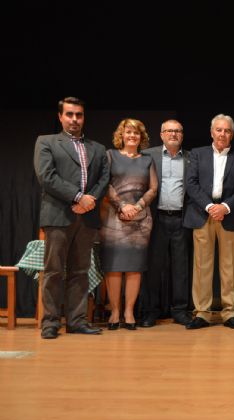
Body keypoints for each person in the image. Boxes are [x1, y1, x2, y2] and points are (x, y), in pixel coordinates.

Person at [33, 96, 110, 339]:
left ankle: (77, 321)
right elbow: (47, 176)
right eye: (69, 114)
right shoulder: (46, 142)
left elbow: (103, 180)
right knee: (54, 271)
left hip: (86, 217)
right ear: (60, 116)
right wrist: (78, 197)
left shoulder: (97, 148)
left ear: (83, 117)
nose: (74, 119)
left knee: (80, 270)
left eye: (78, 115)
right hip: (58, 215)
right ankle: (51, 322)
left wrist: (90, 201)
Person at [183, 114, 234, 330]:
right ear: (212, 132)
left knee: (229, 266)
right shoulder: (197, 154)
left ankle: (229, 312)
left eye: (227, 130)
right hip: (203, 214)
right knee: (202, 266)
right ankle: (202, 312)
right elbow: (191, 184)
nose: (223, 134)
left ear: (232, 134)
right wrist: (210, 207)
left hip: (229, 215)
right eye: (219, 130)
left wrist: (225, 207)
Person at [100, 118, 158, 331]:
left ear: (141, 137)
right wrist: (122, 205)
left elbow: (153, 188)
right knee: (114, 267)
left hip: (141, 220)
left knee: (135, 267)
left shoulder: (147, 159)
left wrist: (138, 206)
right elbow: (104, 183)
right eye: (128, 132)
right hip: (113, 218)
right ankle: (115, 312)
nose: (132, 136)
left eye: (136, 133)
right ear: (121, 136)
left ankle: (129, 312)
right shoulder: (110, 155)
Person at [139, 120, 192, 327]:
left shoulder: (191, 158)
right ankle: (150, 311)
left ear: (182, 135)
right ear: (161, 134)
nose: (173, 134)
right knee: (153, 267)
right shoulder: (148, 155)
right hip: (155, 218)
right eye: (169, 131)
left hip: (181, 218)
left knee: (181, 268)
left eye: (178, 131)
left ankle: (180, 310)